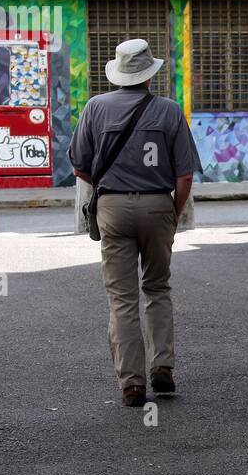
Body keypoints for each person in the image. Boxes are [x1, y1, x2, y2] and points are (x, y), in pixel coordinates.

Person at [69, 39, 201, 407]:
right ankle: (163, 367)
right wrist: (171, 212)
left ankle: (132, 384)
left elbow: (79, 164)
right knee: (157, 288)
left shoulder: (95, 108)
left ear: (120, 72)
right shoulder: (170, 111)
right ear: (149, 76)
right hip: (158, 205)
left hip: (112, 208)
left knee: (122, 298)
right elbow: (185, 174)